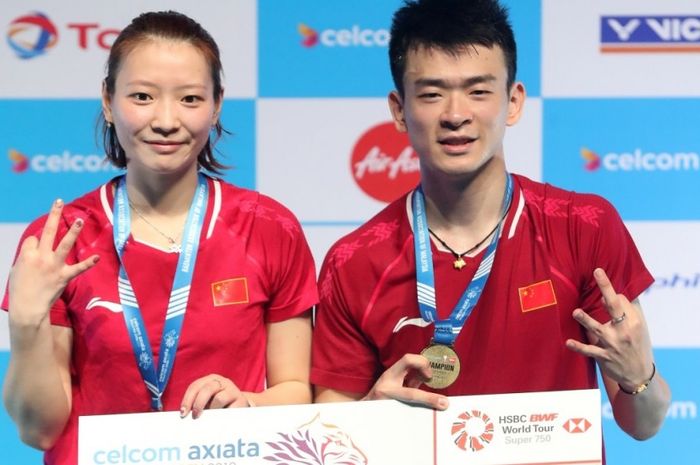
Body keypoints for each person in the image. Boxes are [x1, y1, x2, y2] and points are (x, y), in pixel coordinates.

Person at [311, 0, 670, 447]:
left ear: (513, 101)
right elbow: (329, 442)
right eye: (431, 93)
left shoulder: (584, 225)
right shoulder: (353, 261)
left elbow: (645, 422)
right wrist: (369, 418)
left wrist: (640, 376)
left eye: (479, 91)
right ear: (400, 109)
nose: (456, 114)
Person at [2, 11, 317, 465]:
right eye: (142, 96)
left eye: (190, 98)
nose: (167, 120)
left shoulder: (268, 227)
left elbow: (297, 390)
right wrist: (27, 323)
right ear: (108, 102)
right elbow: (39, 431)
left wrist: (248, 403)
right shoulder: (61, 239)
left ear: (217, 105)